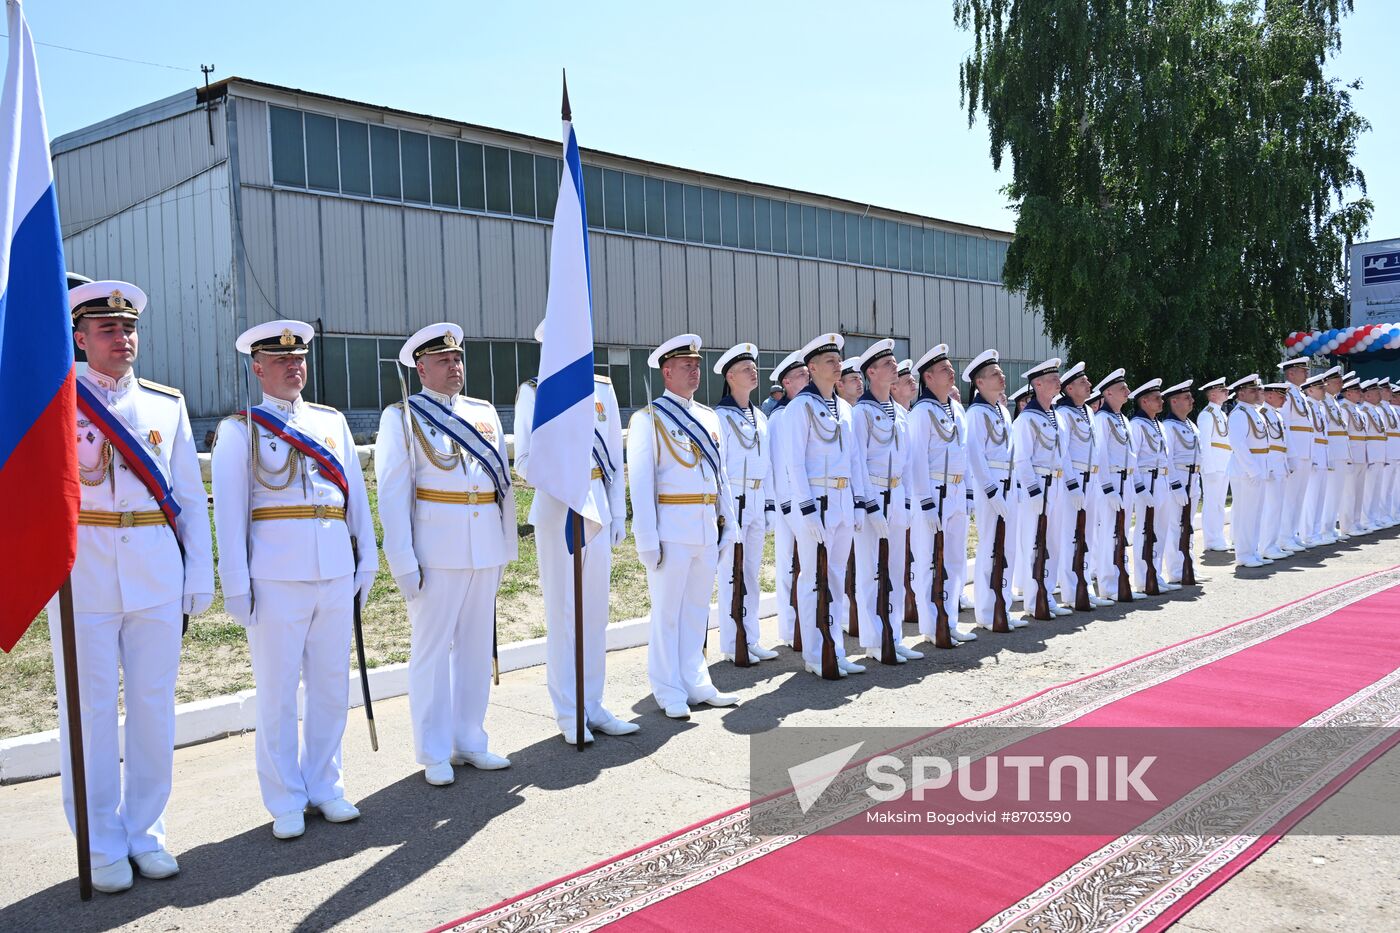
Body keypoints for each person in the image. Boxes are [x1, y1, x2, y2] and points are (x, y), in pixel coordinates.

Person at [50, 279, 213, 893]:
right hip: (81, 577)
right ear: (80, 337)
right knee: (89, 713)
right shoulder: (55, 400)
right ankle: (100, 839)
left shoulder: (165, 405)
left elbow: (190, 500)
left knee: (151, 708)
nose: (122, 339)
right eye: (108, 329)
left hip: (154, 574)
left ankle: (146, 830)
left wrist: (198, 573)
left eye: (128, 328)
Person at [212, 320, 376, 840]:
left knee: (330, 687)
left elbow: (356, 504)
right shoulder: (241, 431)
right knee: (278, 692)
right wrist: (237, 585)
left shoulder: (331, 423)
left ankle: (326, 784)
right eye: (280, 359)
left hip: (333, 571)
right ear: (257, 368)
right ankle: (285, 796)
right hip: (276, 580)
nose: (293, 366)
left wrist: (365, 560)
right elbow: (231, 518)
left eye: (299, 357)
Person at [375, 323, 521, 776]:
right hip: (436, 550)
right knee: (432, 652)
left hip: (484, 548)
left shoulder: (483, 413)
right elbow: (393, 493)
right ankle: (434, 750)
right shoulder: (402, 417)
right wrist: (401, 559)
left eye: (458, 359)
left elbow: (503, 489)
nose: (455, 367)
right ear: (421, 368)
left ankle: (470, 738)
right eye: (443, 361)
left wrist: (506, 546)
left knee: (477, 648)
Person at [513, 335, 637, 745]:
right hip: (558, 508)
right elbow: (525, 461)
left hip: (597, 504)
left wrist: (617, 511)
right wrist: (564, 476)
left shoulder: (602, 388)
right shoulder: (535, 393)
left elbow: (615, 458)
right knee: (564, 614)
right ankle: (569, 712)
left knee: (595, 613)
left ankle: (595, 705)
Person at [627, 335, 738, 717]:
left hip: (706, 526)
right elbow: (641, 484)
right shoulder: (649, 419)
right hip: (671, 529)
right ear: (667, 371)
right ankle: (667, 688)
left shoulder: (709, 416)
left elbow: (721, 475)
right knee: (667, 613)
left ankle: (695, 680)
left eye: (696, 364)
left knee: (696, 611)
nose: (695, 371)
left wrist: (730, 524)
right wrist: (647, 539)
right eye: (686, 366)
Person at [782, 333, 886, 676]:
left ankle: (835, 648)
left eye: (838, 358)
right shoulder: (800, 407)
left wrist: (860, 503)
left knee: (837, 578)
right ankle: (814, 652)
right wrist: (806, 508)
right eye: (829, 360)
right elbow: (793, 462)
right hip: (817, 502)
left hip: (842, 501)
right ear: (811, 368)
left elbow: (855, 461)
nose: (837, 364)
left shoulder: (844, 408)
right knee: (813, 577)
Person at [849, 339, 921, 661]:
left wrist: (904, 502)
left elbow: (905, 463)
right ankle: (874, 640)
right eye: (888, 363)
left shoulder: (900, 414)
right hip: (873, 495)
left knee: (895, 571)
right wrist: (868, 504)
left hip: (896, 495)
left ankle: (894, 633)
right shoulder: (861, 413)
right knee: (869, 572)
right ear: (871, 372)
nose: (896, 366)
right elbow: (857, 463)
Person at [713, 343, 780, 664]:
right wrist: (723, 510)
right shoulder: (720, 417)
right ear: (730, 376)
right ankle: (731, 642)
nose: (753, 371)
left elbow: (766, 465)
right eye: (745, 368)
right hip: (733, 500)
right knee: (731, 574)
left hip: (755, 498)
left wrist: (768, 504)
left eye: (754, 366)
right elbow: (718, 467)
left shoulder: (759, 417)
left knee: (751, 573)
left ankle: (750, 637)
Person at [1012, 359, 1081, 618]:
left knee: (1052, 543)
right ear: (1037, 384)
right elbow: (1021, 459)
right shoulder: (1027, 419)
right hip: (1038, 485)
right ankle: (1034, 599)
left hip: (1058, 484)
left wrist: (1072, 486)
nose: (1058, 381)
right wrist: (1033, 491)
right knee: (1035, 542)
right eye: (1052, 378)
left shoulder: (1056, 416)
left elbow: (1064, 456)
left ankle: (1047, 594)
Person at [963, 349, 1023, 630]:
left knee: (1007, 548)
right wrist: (990, 490)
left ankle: (1003, 605)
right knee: (990, 546)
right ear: (980, 383)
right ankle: (987, 612)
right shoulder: (976, 413)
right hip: (991, 488)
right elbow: (976, 456)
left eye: (1000, 372)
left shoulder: (1001, 410)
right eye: (994, 374)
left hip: (1008, 485)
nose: (1001, 377)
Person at [1053, 362, 1112, 607]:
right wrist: (1071, 484)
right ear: (1068, 389)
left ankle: (1083, 586)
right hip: (1074, 481)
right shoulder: (1063, 413)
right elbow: (1063, 453)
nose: (1089, 385)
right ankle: (1070, 591)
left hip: (1092, 480)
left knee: (1087, 537)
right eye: (1082, 382)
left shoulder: (1087, 412)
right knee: (1070, 537)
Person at [767, 351, 809, 649]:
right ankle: (789, 627)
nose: (808, 379)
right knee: (788, 565)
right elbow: (776, 464)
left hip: (806, 500)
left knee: (805, 565)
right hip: (787, 503)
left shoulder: (806, 410)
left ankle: (806, 625)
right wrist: (781, 503)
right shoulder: (779, 416)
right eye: (802, 376)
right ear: (787, 382)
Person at [1091, 368, 1142, 601]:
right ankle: (1107, 585)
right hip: (1111, 481)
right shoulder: (1102, 419)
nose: (1127, 391)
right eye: (1122, 388)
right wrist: (1107, 488)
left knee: (1121, 534)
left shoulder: (1122, 419)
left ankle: (1122, 579)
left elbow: (1132, 454)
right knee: (1108, 534)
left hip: (1127, 480)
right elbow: (1100, 456)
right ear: (1108, 393)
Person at [1128, 379, 1175, 591]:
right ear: (1144, 401)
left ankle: (1155, 573)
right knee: (1146, 531)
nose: (1161, 401)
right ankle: (1143, 577)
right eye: (1156, 398)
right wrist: (1139, 487)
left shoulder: (1158, 424)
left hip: (1162, 480)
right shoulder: (1137, 425)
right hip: (1148, 480)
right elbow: (1133, 459)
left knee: (1161, 531)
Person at [1225, 374, 1270, 568]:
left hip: (1257, 468)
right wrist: (1253, 470)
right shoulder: (1239, 413)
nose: (1259, 393)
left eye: (1259, 389)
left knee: (1255, 513)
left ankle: (1252, 550)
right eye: (1253, 390)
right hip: (1245, 472)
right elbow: (1238, 444)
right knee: (1246, 514)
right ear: (1241, 393)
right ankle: (1243, 554)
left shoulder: (1254, 412)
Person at [1159, 380, 1200, 585]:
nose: (1192, 400)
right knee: (1176, 526)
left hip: (1193, 479)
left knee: (1188, 527)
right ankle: (1176, 570)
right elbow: (1168, 458)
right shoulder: (1168, 427)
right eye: (1186, 397)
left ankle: (1188, 564)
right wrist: (1175, 485)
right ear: (1174, 401)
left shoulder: (1189, 424)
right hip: (1180, 480)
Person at [1277, 357, 1315, 550]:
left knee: (1299, 496)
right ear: (1290, 373)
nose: (1307, 373)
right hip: (1296, 452)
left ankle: (1293, 533)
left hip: (1305, 450)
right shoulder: (1287, 394)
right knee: (1290, 496)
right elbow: (1285, 425)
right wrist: (1289, 454)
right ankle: (1284, 536)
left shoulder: (1299, 394)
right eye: (1302, 370)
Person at [1194, 378, 1232, 552]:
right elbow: (1205, 443)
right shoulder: (1206, 414)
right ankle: (1211, 539)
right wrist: (1207, 467)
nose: (1226, 392)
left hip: (1224, 464)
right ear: (1213, 393)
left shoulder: (1221, 413)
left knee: (1220, 503)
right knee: (1212, 502)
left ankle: (1218, 536)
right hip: (1214, 465)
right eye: (1223, 390)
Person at [1259, 384, 1293, 558]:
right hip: (1272, 464)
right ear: (1270, 396)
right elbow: (1266, 444)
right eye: (1281, 396)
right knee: (1271, 508)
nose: (1285, 400)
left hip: (1280, 464)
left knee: (1278, 507)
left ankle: (1273, 543)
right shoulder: (1263, 414)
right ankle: (1266, 546)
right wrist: (1270, 467)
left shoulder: (1277, 415)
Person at [1318, 366, 1350, 543]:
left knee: (1335, 492)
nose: (1340, 384)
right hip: (1332, 451)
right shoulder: (1323, 403)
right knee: (1329, 493)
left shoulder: (1334, 402)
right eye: (1337, 381)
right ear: (1327, 383)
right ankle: (1324, 528)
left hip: (1340, 450)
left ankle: (1329, 527)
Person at [1300, 373, 1333, 545]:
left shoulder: (1320, 407)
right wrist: (1312, 456)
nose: (1324, 391)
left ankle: (1316, 532)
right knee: (1311, 498)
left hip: (1323, 453)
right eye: (1321, 388)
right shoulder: (1308, 406)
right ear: (1310, 390)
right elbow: (1310, 434)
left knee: (1320, 497)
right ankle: (1308, 534)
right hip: (1314, 454)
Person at [1361, 379, 1390, 529]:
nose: (1380, 395)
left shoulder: (1376, 410)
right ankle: (1366, 519)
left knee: (1376, 488)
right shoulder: (1364, 411)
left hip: (1379, 453)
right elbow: (1364, 437)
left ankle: (1373, 517)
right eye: (1376, 393)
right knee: (1368, 489)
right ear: (1367, 396)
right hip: (1371, 454)